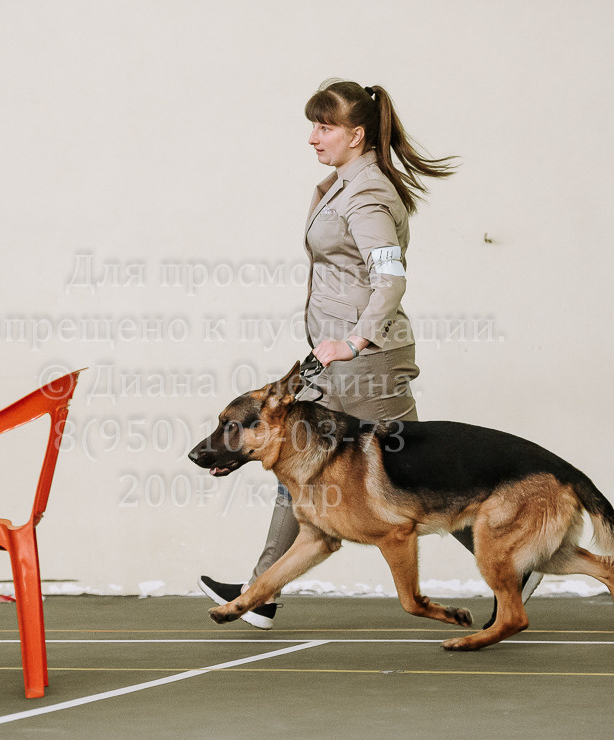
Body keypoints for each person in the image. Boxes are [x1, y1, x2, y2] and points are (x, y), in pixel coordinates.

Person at [199, 80, 541, 629]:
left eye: (324, 126)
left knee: (416, 469)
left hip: (367, 364)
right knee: (301, 466)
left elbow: (389, 278)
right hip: (336, 361)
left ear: (356, 135)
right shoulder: (341, 186)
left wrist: (355, 340)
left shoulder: (367, 195)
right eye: (312, 125)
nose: (313, 137)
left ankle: (518, 565)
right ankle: (261, 590)